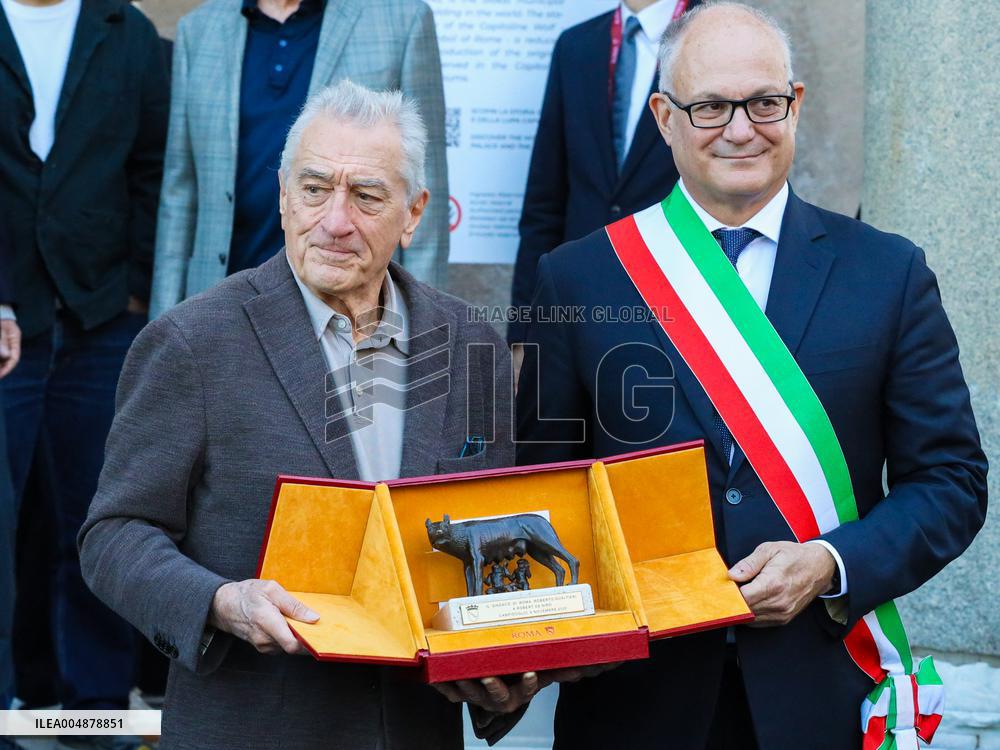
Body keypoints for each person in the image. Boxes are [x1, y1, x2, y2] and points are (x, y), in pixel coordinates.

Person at [516, 3, 988, 749]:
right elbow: (538, 488)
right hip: (634, 703)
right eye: (710, 107)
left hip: (818, 695)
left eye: (764, 102)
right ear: (664, 118)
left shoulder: (887, 274)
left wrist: (831, 562)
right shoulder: (579, 277)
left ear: (795, 105)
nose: (741, 129)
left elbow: (952, 481)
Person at [79, 80, 535, 750]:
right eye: (316, 188)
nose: (336, 220)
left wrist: (509, 671)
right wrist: (220, 603)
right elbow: (113, 534)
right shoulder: (191, 343)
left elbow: (489, 549)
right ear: (285, 196)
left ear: (414, 213)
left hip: (414, 730)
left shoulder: (471, 345)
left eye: (367, 195)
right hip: (253, 729)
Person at [0, 0, 168, 737]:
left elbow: (152, 168)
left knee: (101, 519)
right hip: (4, 318)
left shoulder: (126, 32)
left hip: (103, 319)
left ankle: (97, 711)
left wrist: (132, 290)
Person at [149, 0, 449, 321]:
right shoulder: (199, 29)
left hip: (347, 306)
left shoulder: (401, 21)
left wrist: (420, 326)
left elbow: (422, 187)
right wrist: (163, 318)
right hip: (222, 297)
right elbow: (180, 192)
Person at [508, 0, 700, 345]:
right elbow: (544, 205)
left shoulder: (720, 39)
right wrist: (525, 336)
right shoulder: (577, 46)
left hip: (683, 317)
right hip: (577, 317)